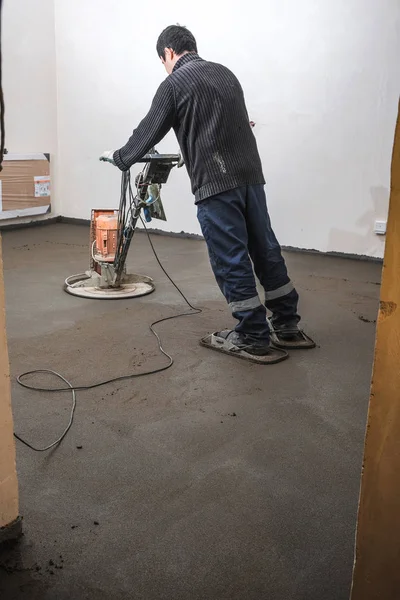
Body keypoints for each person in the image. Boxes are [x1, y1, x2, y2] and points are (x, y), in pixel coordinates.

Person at [100, 25, 314, 360]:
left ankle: (253, 335)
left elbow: (149, 130)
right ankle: (287, 325)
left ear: (168, 53)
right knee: (265, 248)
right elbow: (231, 122)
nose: (165, 66)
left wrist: (121, 157)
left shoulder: (174, 83)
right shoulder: (226, 75)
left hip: (216, 184)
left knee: (230, 258)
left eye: (163, 61)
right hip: (251, 178)